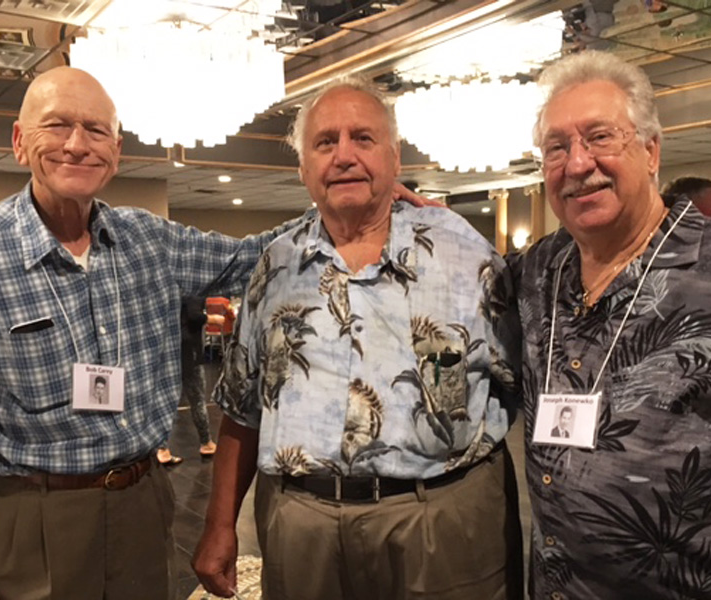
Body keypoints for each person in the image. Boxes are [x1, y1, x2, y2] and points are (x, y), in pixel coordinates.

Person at [0, 66, 313, 600]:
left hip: (143, 506)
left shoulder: (148, 240)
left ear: (117, 149)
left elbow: (256, 257)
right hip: (29, 523)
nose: (77, 144)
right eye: (57, 125)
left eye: (95, 129)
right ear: (19, 142)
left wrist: (360, 199)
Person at [192, 79, 523, 600]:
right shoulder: (276, 266)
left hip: (440, 519)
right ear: (304, 168)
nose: (344, 155)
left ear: (394, 157)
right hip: (302, 524)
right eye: (325, 142)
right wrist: (219, 526)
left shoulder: (465, 254)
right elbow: (242, 405)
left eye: (363, 138)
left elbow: (518, 379)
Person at [513, 49, 711, 599]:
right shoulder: (539, 271)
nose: (577, 164)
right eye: (556, 147)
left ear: (651, 151)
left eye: (600, 137)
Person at [157, 296, 218, 465]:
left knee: (166, 400)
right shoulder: (194, 291)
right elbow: (194, 315)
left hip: (169, 348)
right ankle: (206, 442)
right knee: (197, 399)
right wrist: (212, 319)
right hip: (188, 350)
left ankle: (161, 447)